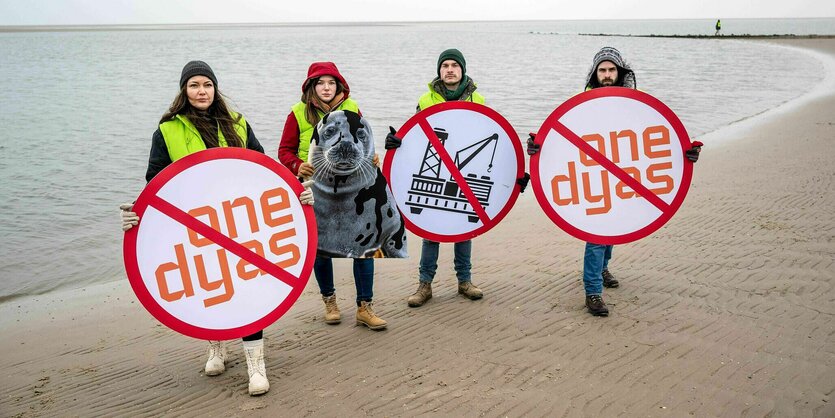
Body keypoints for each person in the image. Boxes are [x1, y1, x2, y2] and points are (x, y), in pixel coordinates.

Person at [119, 60, 312, 396]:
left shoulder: (237, 123)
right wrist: (137, 218)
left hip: (242, 223)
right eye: (194, 85)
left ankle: (256, 366)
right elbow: (155, 182)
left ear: (215, 88)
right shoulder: (167, 130)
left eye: (206, 85)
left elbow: (263, 170)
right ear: (184, 91)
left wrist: (296, 193)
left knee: (250, 291)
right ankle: (217, 347)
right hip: (195, 228)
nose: (201, 91)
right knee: (211, 288)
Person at [527, 47, 702, 317]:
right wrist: (538, 147)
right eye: (602, 70)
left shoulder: (635, 103)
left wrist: (686, 152)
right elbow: (563, 137)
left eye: (611, 70)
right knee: (596, 233)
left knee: (613, 229)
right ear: (595, 74)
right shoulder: (582, 103)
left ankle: (603, 268)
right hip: (592, 175)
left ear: (620, 72)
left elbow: (655, 135)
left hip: (623, 175)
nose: (607, 75)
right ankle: (593, 291)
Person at [387, 48, 529, 307]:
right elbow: (416, 138)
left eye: (454, 65)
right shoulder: (426, 99)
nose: (449, 70)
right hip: (437, 167)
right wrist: (396, 144)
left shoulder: (478, 100)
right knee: (431, 231)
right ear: (439, 71)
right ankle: (425, 284)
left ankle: (465, 281)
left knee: (465, 229)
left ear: (462, 70)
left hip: (462, 173)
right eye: (445, 66)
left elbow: (493, 136)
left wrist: (514, 175)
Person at [278, 61, 387, 330]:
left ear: (338, 86)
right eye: (320, 83)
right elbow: (284, 150)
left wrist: (373, 157)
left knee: (363, 248)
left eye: (330, 83)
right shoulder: (297, 113)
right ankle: (330, 302)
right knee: (321, 251)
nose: (326, 88)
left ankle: (365, 307)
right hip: (317, 191)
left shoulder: (352, 109)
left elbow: (365, 142)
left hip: (353, 190)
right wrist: (296, 165)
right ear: (311, 87)